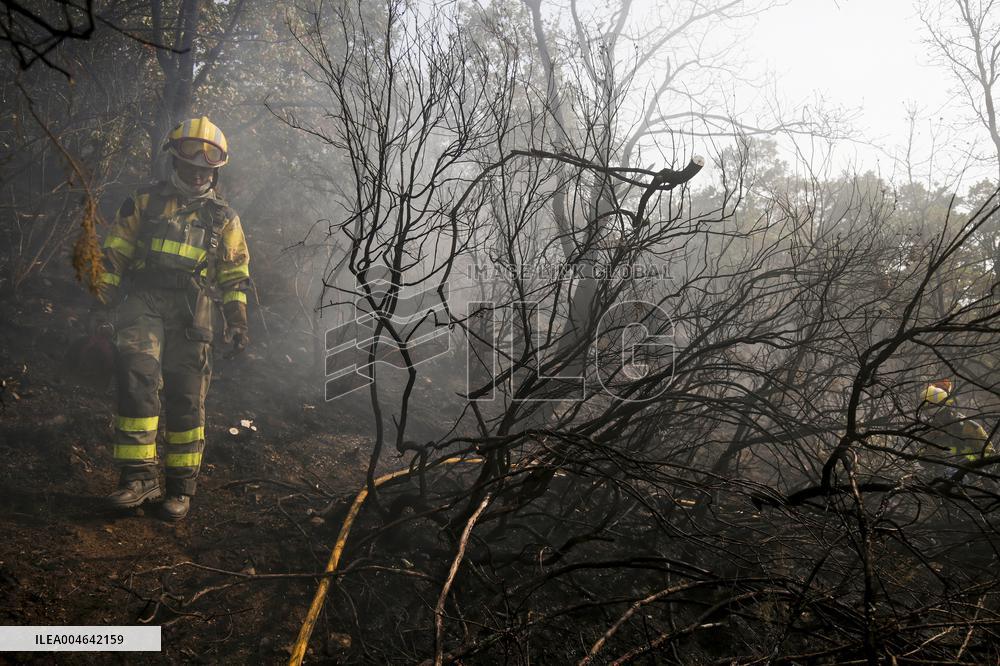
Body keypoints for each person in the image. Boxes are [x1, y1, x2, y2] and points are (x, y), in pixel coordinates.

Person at [94, 116, 250, 520]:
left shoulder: (224, 218)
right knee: (137, 376)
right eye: (190, 163)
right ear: (174, 161)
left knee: (186, 394)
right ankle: (139, 478)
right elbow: (114, 252)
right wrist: (102, 298)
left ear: (215, 170)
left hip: (193, 308)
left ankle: (180, 488)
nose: (197, 172)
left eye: (206, 167)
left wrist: (237, 321)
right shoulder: (144, 201)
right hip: (143, 299)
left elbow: (234, 276)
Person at [918, 379, 991, 481]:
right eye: (932, 417)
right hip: (940, 481)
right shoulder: (927, 431)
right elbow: (921, 459)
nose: (936, 420)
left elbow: (989, 455)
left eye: (939, 415)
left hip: (972, 477)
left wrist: (967, 462)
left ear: (948, 409)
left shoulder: (968, 427)